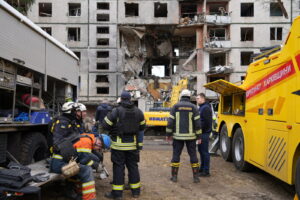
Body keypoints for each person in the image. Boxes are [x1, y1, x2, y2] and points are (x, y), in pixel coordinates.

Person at [102, 91, 145, 200]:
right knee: (133, 167)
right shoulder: (138, 111)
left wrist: (114, 128)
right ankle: (136, 192)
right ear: (130, 99)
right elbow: (142, 127)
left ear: (121, 99)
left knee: (118, 168)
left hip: (118, 146)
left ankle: (117, 194)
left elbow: (105, 125)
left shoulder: (116, 111)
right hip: (132, 145)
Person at [51, 133, 103, 200]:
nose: (98, 150)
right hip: (59, 164)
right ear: (99, 142)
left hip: (59, 161)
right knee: (87, 170)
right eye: (100, 147)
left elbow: (80, 158)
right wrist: (95, 165)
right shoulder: (86, 142)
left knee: (78, 167)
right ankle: (89, 198)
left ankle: (70, 191)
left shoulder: (87, 138)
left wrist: (95, 161)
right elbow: (83, 161)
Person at [166, 89, 202, 183]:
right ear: (189, 97)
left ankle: (174, 177)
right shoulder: (194, 107)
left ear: (181, 96)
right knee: (193, 156)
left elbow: (170, 123)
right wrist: (199, 137)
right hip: (191, 137)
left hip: (178, 137)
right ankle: (196, 178)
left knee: (176, 156)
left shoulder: (175, 107)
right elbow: (198, 124)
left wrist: (168, 135)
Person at [196, 93, 213, 177]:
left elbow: (205, 123)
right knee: (201, 152)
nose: (197, 100)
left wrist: (199, 130)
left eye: (198, 98)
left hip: (204, 134)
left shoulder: (205, 108)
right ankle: (202, 169)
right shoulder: (202, 107)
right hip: (202, 133)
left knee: (204, 152)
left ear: (203, 99)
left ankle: (206, 171)